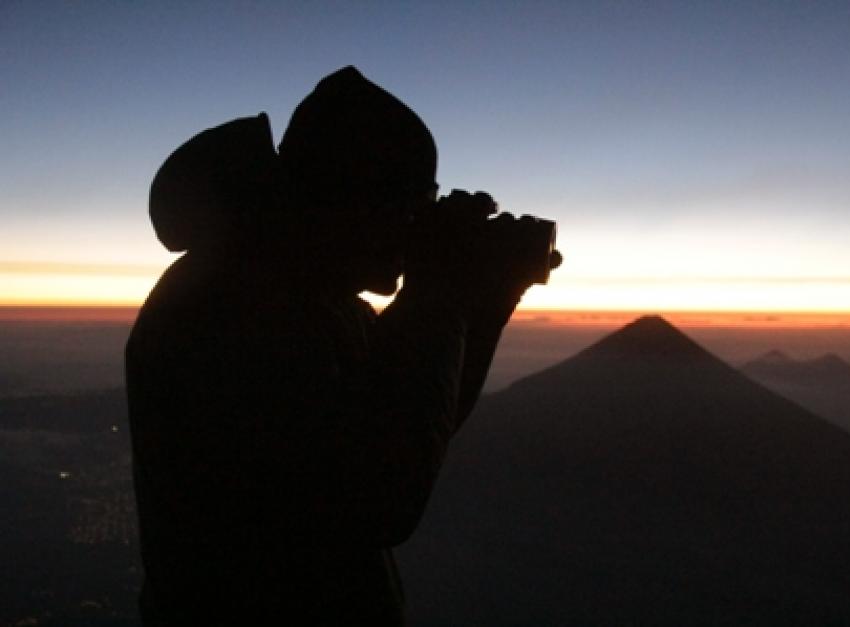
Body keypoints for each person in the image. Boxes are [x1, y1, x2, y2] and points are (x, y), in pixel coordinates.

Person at [126, 66, 558, 625]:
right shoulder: (225, 307)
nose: (416, 231)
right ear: (351, 200)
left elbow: (417, 420)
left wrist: (491, 298)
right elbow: (380, 501)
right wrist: (440, 293)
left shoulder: (311, 296)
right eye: (410, 207)